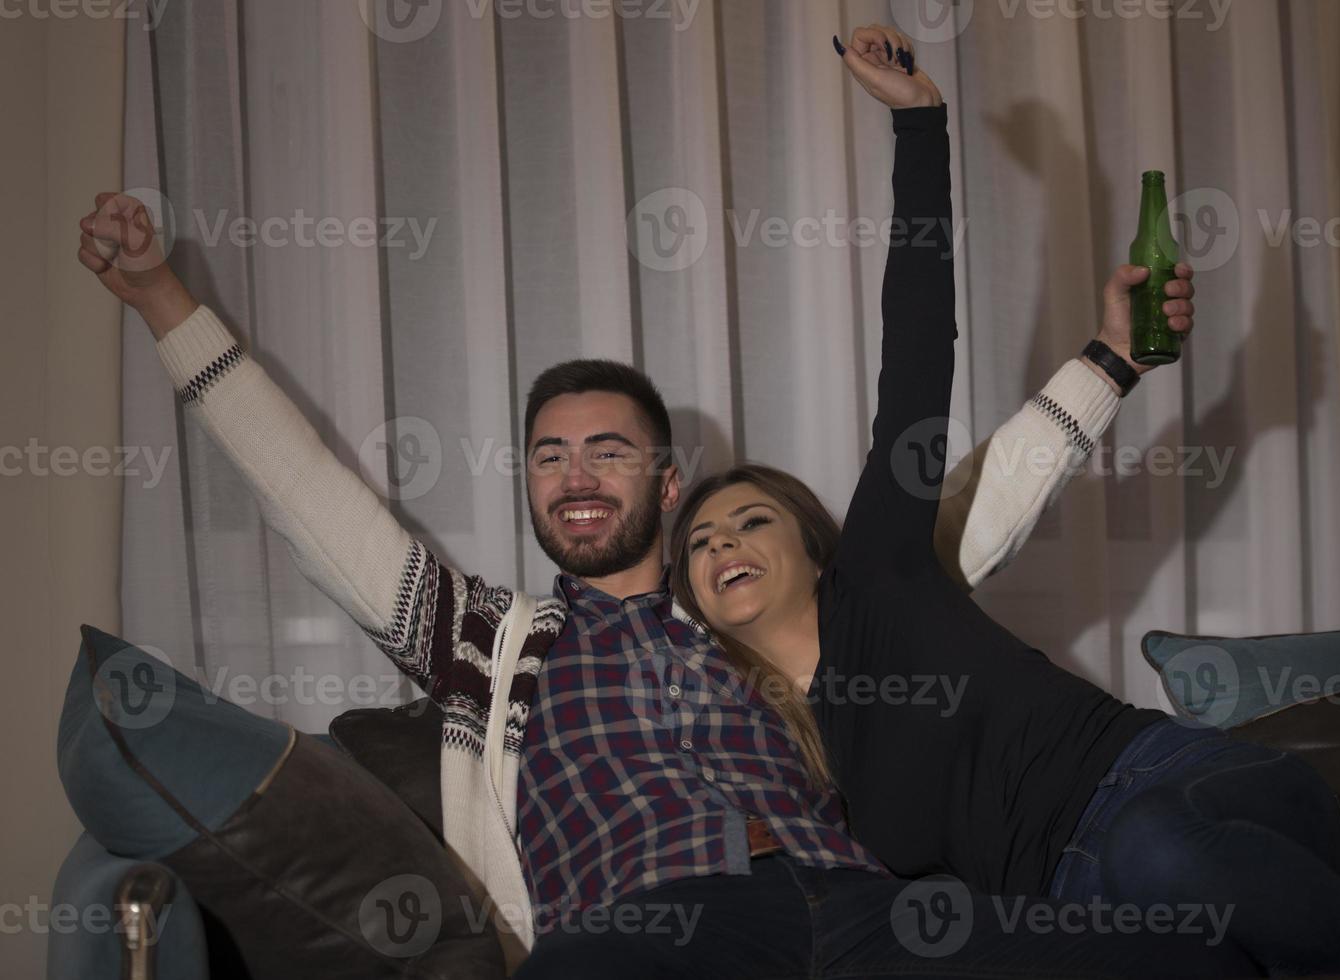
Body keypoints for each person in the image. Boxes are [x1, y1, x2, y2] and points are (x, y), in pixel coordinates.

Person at [77, 22, 1250, 979]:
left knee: (1187, 955)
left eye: (607, 450)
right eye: (549, 456)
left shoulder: (763, 601)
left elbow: (975, 504)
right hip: (650, 925)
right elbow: (303, 486)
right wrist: (159, 297)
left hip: (854, 905)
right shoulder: (485, 642)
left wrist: (1111, 360)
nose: (576, 474)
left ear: (666, 478)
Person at [668, 28, 1340, 979]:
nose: (724, 542)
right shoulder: (782, 756)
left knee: (1156, 852)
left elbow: (915, 350)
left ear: (816, 545)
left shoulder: (882, 573)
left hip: (1183, 791)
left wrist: (919, 124)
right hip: (1079, 915)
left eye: (751, 519)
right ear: (690, 598)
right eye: (699, 542)